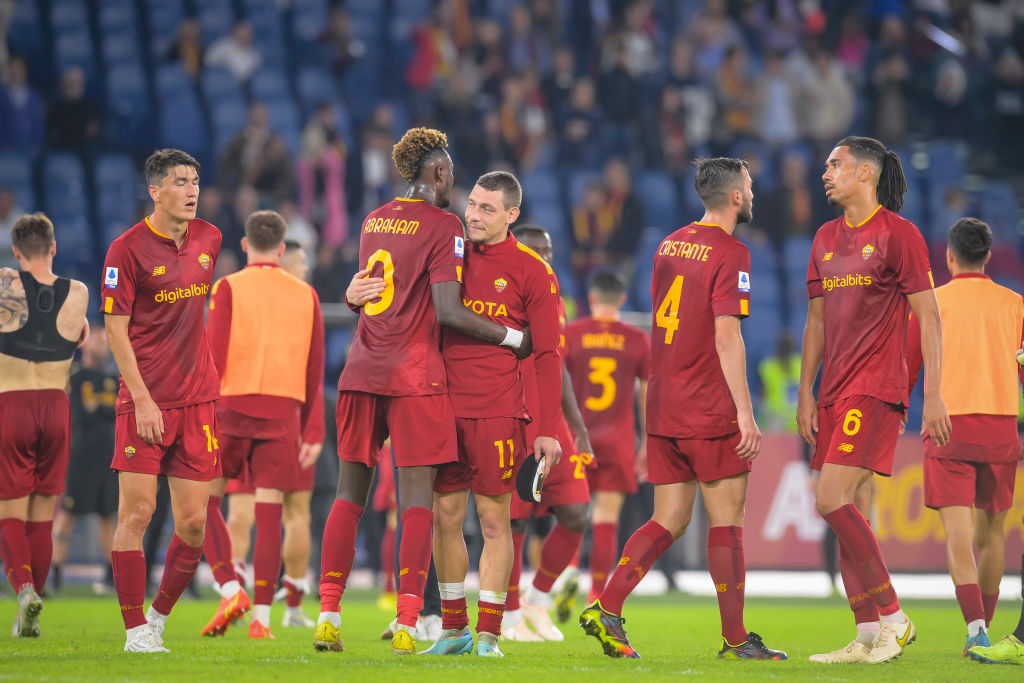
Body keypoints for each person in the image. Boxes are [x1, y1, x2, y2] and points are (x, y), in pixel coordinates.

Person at [314, 127, 533, 655]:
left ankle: (327, 613)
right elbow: (448, 310)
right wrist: (513, 337)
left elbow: (367, 291)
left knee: (349, 497)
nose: (454, 184)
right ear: (438, 173)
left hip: (361, 371)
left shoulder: (373, 219)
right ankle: (410, 621)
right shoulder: (444, 224)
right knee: (417, 506)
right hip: (415, 379)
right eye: (452, 173)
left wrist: (349, 295)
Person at [580, 157, 787, 661]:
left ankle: (606, 607)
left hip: (665, 399)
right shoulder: (733, 251)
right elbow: (726, 333)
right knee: (727, 521)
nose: (754, 192)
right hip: (707, 402)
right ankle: (736, 639)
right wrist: (744, 411)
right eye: (750, 185)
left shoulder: (669, 243)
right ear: (735, 196)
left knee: (668, 517)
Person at [798, 136, 950, 665]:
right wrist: (804, 392)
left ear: (865, 173)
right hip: (834, 390)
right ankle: (866, 636)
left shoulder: (901, 235)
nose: (826, 173)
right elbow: (816, 321)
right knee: (851, 510)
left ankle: (894, 617)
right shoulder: (822, 238)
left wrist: (933, 395)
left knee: (829, 497)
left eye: (835, 165)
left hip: (877, 384)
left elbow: (930, 317)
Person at [423, 171, 562, 657]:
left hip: (498, 413)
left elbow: (547, 356)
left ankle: (489, 635)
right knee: (444, 518)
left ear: (511, 215)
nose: (473, 214)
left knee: (492, 521)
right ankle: (453, 628)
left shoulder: (533, 272)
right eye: (473, 204)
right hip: (441, 405)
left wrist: (547, 431)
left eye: (486, 208)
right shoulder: (448, 253)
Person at [102, 148, 223, 653]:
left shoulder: (209, 238)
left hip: (198, 401)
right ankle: (133, 631)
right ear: (155, 191)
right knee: (137, 512)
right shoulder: (125, 251)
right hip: (145, 402)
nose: (191, 189)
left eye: (195, 180)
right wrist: (142, 399)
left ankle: (156, 619)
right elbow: (114, 330)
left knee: (194, 523)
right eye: (180, 181)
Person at [202, 210, 325, 639]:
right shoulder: (305, 294)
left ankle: (229, 585)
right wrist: (313, 429)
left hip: (231, 408)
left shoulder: (228, 287)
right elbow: (315, 367)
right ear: (281, 246)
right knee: (272, 516)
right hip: (284, 413)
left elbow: (213, 357)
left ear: (244, 244)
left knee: (205, 503)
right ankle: (262, 620)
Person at [905, 217, 1023, 658]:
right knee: (993, 537)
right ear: (988, 257)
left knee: (958, 533)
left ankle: (976, 628)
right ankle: (984, 635)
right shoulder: (1016, 305)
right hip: (1000, 429)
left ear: (949, 257)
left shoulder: (931, 304)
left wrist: (898, 411)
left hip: (947, 428)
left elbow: (907, 366)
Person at [503, 224, 594, 644]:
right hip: (515, 417)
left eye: (549, 251)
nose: (543, 258)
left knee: (576, 513)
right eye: (534, 251)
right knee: (514, 522)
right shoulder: (504, 294)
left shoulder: (555, 297)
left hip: (553, 422)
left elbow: (557, 366)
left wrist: (577, 427)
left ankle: (535, 601)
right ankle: (506, 616)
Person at [0, 213, 88, 636]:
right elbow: (83, 337)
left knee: (9, 514)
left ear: (16, 251)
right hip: (56, 406)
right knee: (43, 514)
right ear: (54, 247)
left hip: (12, 403)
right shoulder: (79, 294)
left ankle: (25, 590)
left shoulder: (4, 282)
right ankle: (27, 615)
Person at [564, 269, 649, 604]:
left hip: (577, 436)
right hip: (619, 439)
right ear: (622, 300)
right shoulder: (637, 339)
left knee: (572, 512)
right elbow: (646, 392)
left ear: (593, 298)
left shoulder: (573, 333)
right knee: (606, 517)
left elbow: (556, 380)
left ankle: (569, 569)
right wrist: (647, 442)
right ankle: (597, 594)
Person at [53, 324, 119, 595]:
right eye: (98, 340)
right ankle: (54, 572)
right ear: (86, 343)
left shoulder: (113, 379)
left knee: (108, 518)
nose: (103, 344)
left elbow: (113, 412)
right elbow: (84, 415)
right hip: (80, 459)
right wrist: (106, 410)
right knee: (67, 515)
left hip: (107, 459)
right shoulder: (76, 377)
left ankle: (110, 576)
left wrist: (101, 410)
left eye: (105, 340)